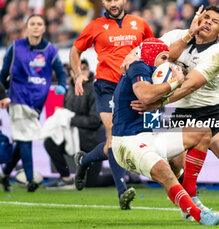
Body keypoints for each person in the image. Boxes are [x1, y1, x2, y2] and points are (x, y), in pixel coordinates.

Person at [130, 6, 219, 223]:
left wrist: (157, 102)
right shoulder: (177, 35)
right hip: (182, 114)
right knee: (174, 166)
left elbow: (187, 87)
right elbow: (150, 53)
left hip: (212, 111)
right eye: (205, 17)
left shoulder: (215, 56)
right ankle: (189, 203)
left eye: (214, 22)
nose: (207, 22)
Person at [112, 37, 219, 225]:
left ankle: (191, 197)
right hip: (127, 142)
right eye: (163, 58)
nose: (167, 62)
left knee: (202, 132)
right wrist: (174, 83)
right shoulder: (138, 67)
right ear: (151, 56)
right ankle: (199, 215)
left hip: (149, 137)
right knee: (165, 170)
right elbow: (146, 95)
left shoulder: (151, 70)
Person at [69, 0, 154, 209]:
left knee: (121, 142)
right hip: (106, 86)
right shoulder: (96, 25)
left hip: (133, 87)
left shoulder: (140, 24)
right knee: (114, 137)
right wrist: (78, 75)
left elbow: (154, 51)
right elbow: (75, 51)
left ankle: (85, 160)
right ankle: (123, 193)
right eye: (107, 0)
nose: (112, 3)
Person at [0, 14, 67, 192]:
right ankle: (30, 180)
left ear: (44, 28)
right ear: (27, 27)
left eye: (39, 24)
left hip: (37, 102)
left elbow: (60, 71)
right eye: (33, 24)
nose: (36, 27)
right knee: (26, 138)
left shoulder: (50, 50)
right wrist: (4, 95)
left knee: (23, 139)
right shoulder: (15, 48)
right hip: (17, 98)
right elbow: (3, 74)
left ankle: (5, 174)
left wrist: (61, 85)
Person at [44, 60, 107, 189]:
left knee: (91, 184)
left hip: (91, 142)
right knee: (50, 142)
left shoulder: (95, 89)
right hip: (73, 137)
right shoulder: (70, 89)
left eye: (85, 68)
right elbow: (67, 113)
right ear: (72, 73)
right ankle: (65, 178)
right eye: (78, 69)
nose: (82, 72)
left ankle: (128, 178)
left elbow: (95, 121)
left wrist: (69, 119)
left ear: (89, 71)